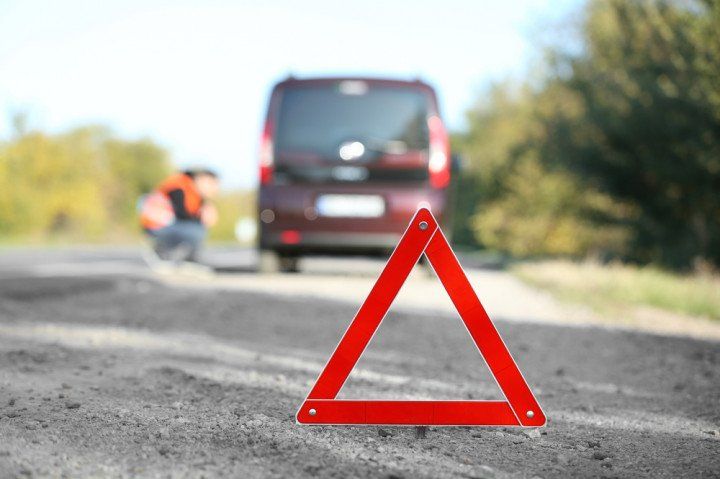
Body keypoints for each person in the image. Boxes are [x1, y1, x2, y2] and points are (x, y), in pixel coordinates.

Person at [140, 168, 219, 265]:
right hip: (157, 226)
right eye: (212, 184)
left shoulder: (189, 189)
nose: (215, 189)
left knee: (196, 228)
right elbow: (182, 214)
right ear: (202, 180)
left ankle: (170, 251)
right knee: (196, 231)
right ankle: (166, 252)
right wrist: (202, 217)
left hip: (162, 224)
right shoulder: (180, 186)